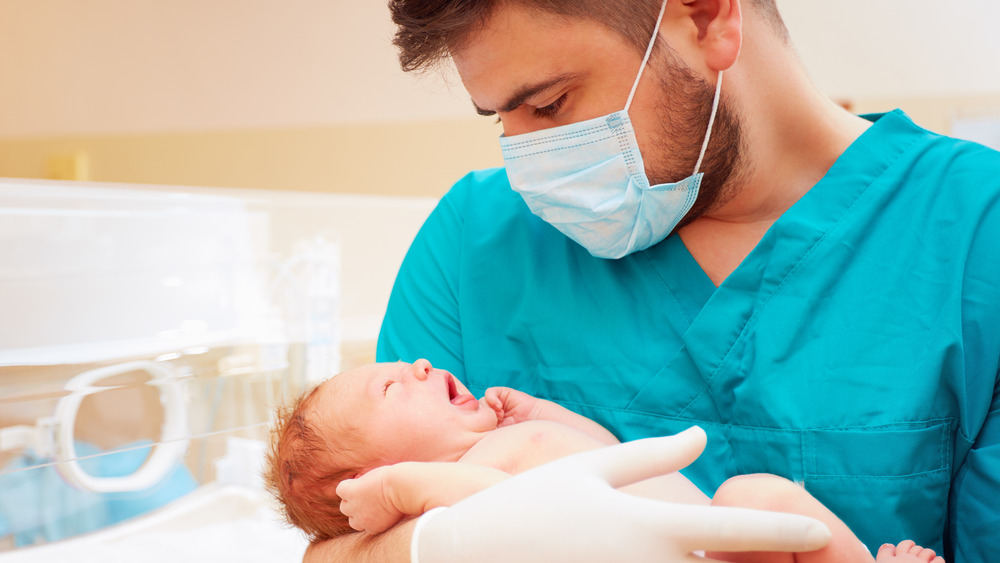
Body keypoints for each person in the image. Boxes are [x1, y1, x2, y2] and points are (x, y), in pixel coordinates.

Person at [308, 0, 1000, 562]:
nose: (523, 158)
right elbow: (334, 546)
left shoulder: (975, 235)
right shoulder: (475, 241)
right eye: (500, 117)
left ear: (706, 19)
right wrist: (445, 544)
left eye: (549, 105)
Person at [269, 359, 944, 563]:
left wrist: (549, 417)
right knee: (757, 497)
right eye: (392, 386)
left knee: (757, 495)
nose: (418, 364)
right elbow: (504, 512)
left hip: (719, 539)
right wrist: (406, 487)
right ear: (372, 475)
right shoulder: (440, 492)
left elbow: (604, 454)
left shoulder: (507, 434)